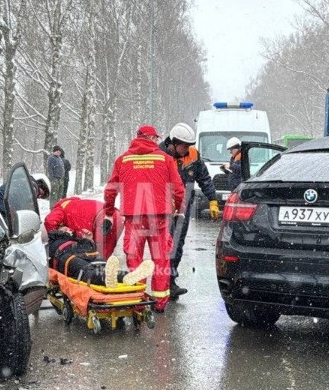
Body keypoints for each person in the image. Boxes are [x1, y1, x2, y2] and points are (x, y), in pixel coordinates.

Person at [103, 125, 185, 313]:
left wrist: (108, 211)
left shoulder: (123, 160)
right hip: (160, 218)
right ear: (152, 138)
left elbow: (110, 190)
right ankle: (159, 302)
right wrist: (179, 209)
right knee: (161, 259)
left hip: (134, 217)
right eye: (156, 139)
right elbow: (179, 190)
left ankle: (138, 300)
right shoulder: (166, 159)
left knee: (134, 258)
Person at [161, 122, 219, 299]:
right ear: (173, 142)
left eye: (188, 145)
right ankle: (162, 282)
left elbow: (204, 178)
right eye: (183, 145)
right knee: (165, 246)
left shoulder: (192, 155)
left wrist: (213, 199)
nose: (186, 149)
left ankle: (170, 281)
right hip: (164, 208)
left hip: (183, 208)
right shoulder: (160, 155)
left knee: (177, 245)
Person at [47, 228, 154, 289]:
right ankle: (105, 279)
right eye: (64, 228)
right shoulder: (50, 240)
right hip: (64, 256)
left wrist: (88, 240)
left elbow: (90, 248)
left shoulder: (75, 238)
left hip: (84, 252)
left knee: (104, 266)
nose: (67, 229)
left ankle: (126, 276)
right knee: (86, 269)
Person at [44, 196, 122, 258]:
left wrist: (53, 237)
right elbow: (81, 233)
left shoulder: (60, 208)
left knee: (99, 260)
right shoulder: (74, 205)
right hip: (116, 215)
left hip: (103, 222)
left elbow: (49, 222)